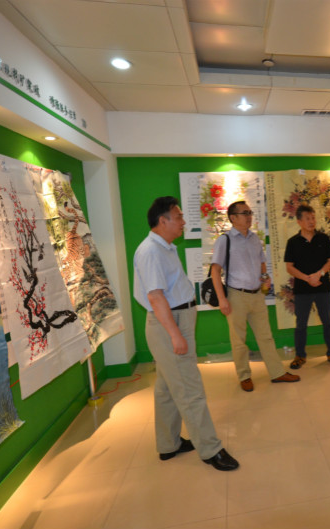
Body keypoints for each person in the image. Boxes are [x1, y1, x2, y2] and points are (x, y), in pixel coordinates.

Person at [133, 196, 239, 471]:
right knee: (190, 390)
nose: (183, 221)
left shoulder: (165, 247)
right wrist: (175, 335)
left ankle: (168, 444)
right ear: (162, 221)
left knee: (167, 388)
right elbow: (155, 297)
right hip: (169, 324)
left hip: (176, 320)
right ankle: (211, 449)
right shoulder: (150, 251)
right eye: (178, 216)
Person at [210, 200, 300, 391]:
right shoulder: (224, 240)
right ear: (233, 218)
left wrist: (265, 278)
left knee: (266, 336)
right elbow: (215, 271)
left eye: (250, 212)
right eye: (245, 213)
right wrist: (222, 299)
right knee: (239, 340)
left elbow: (262, 264)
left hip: (257, 295)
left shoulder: (255, 239)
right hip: (236, 295)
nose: (249, 216)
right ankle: (244, 376)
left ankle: (277, 373)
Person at [284, 204, 330, 369]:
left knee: (328, 322)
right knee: (301, 324)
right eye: (307, 218)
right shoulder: (293, 242)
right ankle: (300, 356)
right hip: (302, 290)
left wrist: (319, 274)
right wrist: (307, 278)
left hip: (323, 287)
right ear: (299, 221)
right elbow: (289, 267)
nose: (311, 221)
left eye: (313, 218)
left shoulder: (323, 238)